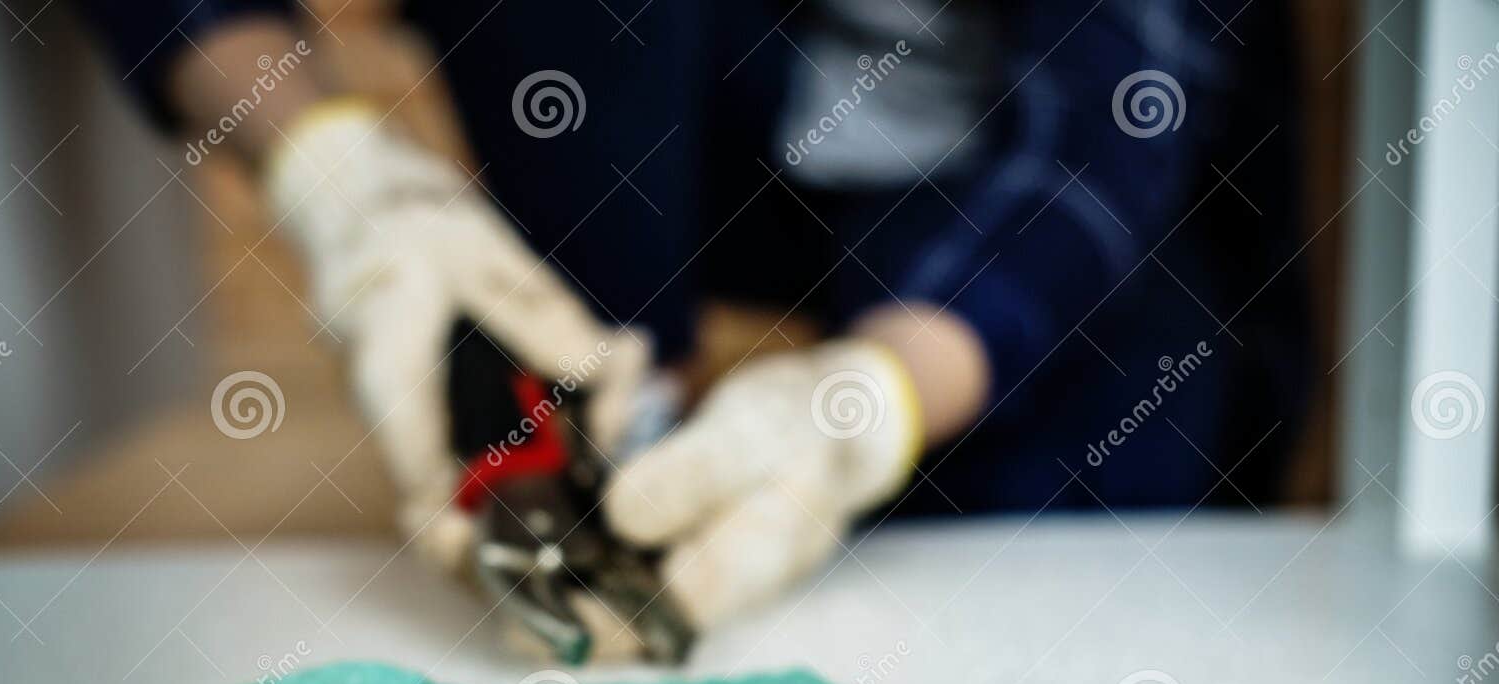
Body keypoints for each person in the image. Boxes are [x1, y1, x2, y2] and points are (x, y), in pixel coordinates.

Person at [75, 0, 1310, 632]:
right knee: (577, 470)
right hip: (714, 102)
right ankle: (611, 419)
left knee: (1123, 422)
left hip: (1017, 151)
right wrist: (332, 170)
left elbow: (1114, 125)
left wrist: (871, 400)